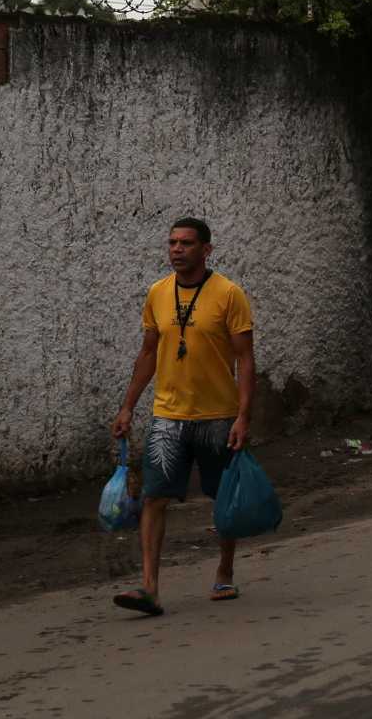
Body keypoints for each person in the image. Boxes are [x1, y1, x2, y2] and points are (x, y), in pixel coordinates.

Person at [109, 217, 257, 615]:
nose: (177, 249)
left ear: (206, 250)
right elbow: (148, 353)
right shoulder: (158, 293)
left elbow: (245, 359)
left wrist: (243, 416)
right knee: (155, 497)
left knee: (221, 498)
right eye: (172, 243)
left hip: (217, 417)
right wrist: (128, 406)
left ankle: (225, 571)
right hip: (167, 417)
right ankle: (149, 589)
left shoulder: (229, 294)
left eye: (186, 243)